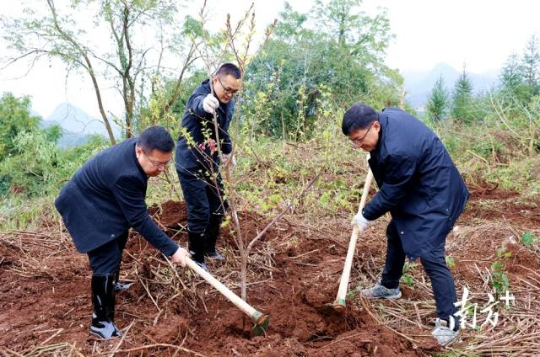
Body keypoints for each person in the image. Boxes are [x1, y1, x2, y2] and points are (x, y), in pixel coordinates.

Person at [343, 103, 469, 346]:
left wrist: (365, 215)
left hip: (439, 194)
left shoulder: (399, 151)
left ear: (376, 126)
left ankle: (450, 322)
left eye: (360, 140)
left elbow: (391, 193)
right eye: (354, 142)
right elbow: (390, 109)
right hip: (422, 184)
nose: (358, 146)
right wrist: (373, 153)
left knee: (431, 255)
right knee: (396, 231)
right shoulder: (386, 119)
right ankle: (389, 287)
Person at [55, 126, 189, 340]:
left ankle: (112, 284)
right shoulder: (125, 174)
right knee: (105, 253)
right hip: (82, 203)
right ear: (139, 152)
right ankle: (100, 323)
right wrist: (172, 250)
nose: (162, 169)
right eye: (157, 163)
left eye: (166, 163)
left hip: (101, 198)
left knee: (119, 234)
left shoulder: (141, 148)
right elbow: (139, 219)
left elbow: (133, 215)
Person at [175, 63, 242, 271]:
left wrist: (228, 150)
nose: (229, 94)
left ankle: (209, 249)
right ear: (215, 80)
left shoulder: (228, 101)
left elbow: (223, 129)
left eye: (234, 91)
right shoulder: (202, 94)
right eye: (227, 89)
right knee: (200, 211)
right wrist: (204, 104)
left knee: (220, 205)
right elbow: (196, 104)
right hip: (190, 163)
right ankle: (196, 259)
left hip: (210, 163)